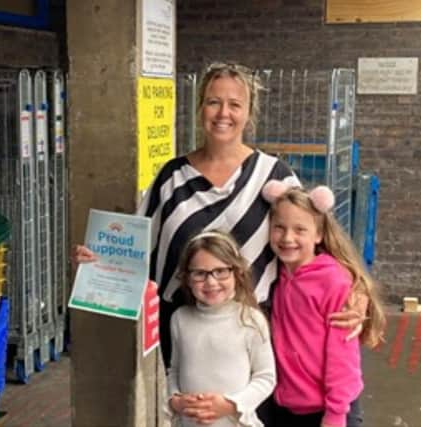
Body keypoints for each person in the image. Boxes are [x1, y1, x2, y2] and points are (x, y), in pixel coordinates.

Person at [71, 62, 367, 369]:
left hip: (254, 331)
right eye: (213, 102)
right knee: (192, 411)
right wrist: (100, 263)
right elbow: (135, 247)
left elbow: (321, 248)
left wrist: (357, 293)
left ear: (249, 113)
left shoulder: (275, 177)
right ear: (201, 108)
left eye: (235, 104)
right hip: (185, 330)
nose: (223, 113)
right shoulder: (172, 178)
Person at [261, 180, 386, 427]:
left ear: (319, 234)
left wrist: (336, 413)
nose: (287, 238)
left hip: (330, 409)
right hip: (289, 406)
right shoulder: (276, 275)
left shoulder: (333, 282)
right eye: (279, 227)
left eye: (300, 230)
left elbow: (343, 355)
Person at [166, 230, 275, 427]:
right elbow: (174, 370)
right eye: (200, 273)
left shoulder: (251, 320)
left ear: (237, 272)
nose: (211, 282)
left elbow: (266, 377)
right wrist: (175, 400)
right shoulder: (180, 319)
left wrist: (231, 404)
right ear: (188, 277)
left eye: (221, 271)